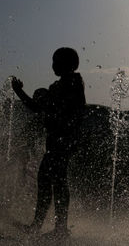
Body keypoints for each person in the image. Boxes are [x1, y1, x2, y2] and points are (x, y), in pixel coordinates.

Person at [11, 47, 86, 240]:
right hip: (56, 141)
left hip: (65, 140)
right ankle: (40, 225)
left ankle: (60, 229)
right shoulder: (58, 86)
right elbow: (37, 108)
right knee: (45, 178)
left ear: (68, 64)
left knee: (58, 180)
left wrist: (45, 98)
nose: (53, 65)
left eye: (56, 61)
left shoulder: (74, 82)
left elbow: (57, 107)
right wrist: (20, 92)